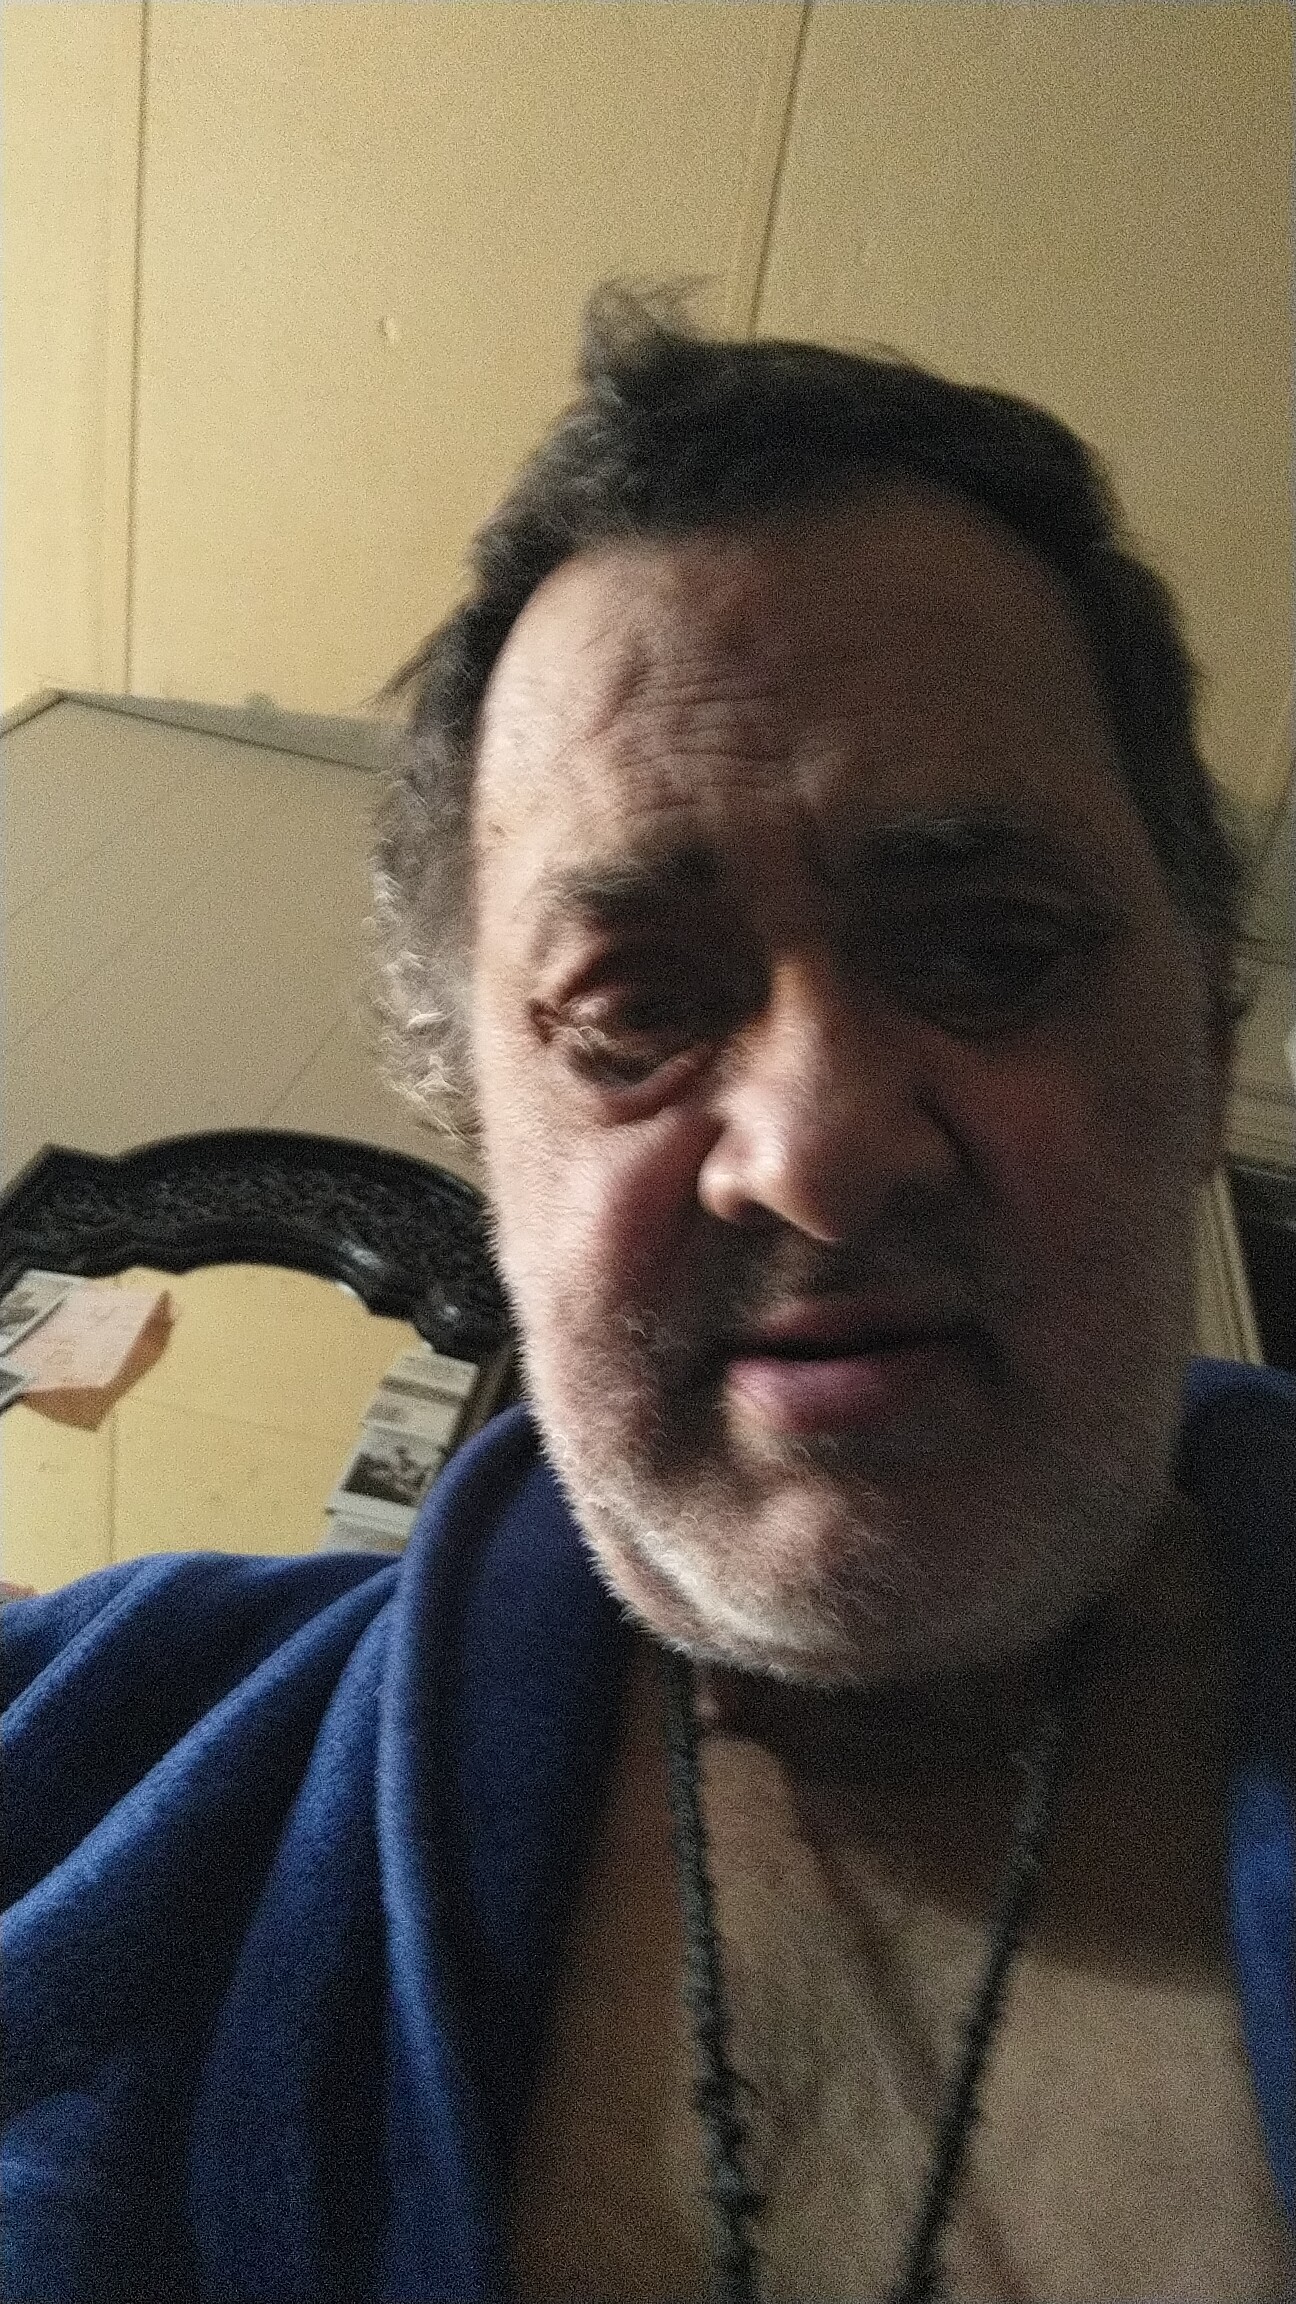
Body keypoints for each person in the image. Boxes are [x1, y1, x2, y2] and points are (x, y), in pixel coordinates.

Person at [3, 292, 1292, 2302]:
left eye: (988, 952)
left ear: (1207, 1037)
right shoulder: (77, 1751)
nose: (816, 1150)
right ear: (477, 1127)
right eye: (634, 1008)